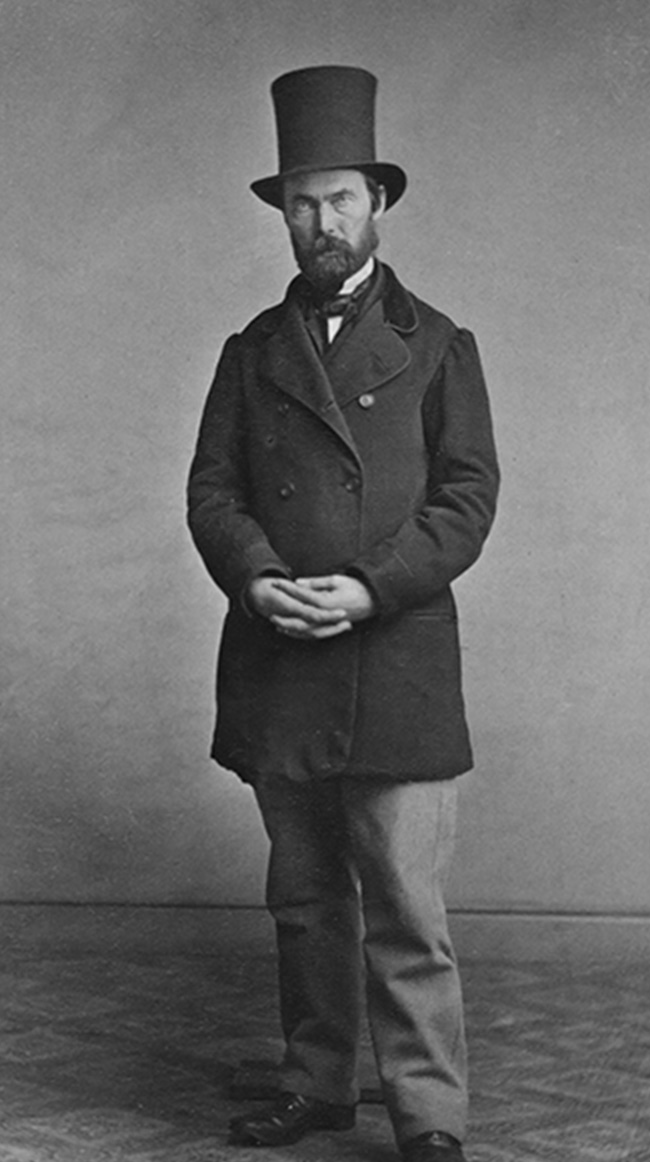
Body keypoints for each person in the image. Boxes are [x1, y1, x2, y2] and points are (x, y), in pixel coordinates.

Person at [187, 65, 499, 1162]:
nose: (322, 223)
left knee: (406, 907)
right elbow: (212, 493)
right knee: (306, 899)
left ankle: (429, 1116)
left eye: (341, 200)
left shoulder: (439, 344)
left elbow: (467, 500)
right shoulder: (250, 352)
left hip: (395, 658)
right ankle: (315, 1084)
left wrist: (370, 585)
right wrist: (258, 576)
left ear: (378, 204)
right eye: (302, 203)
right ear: (284, 214)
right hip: (279, 656)